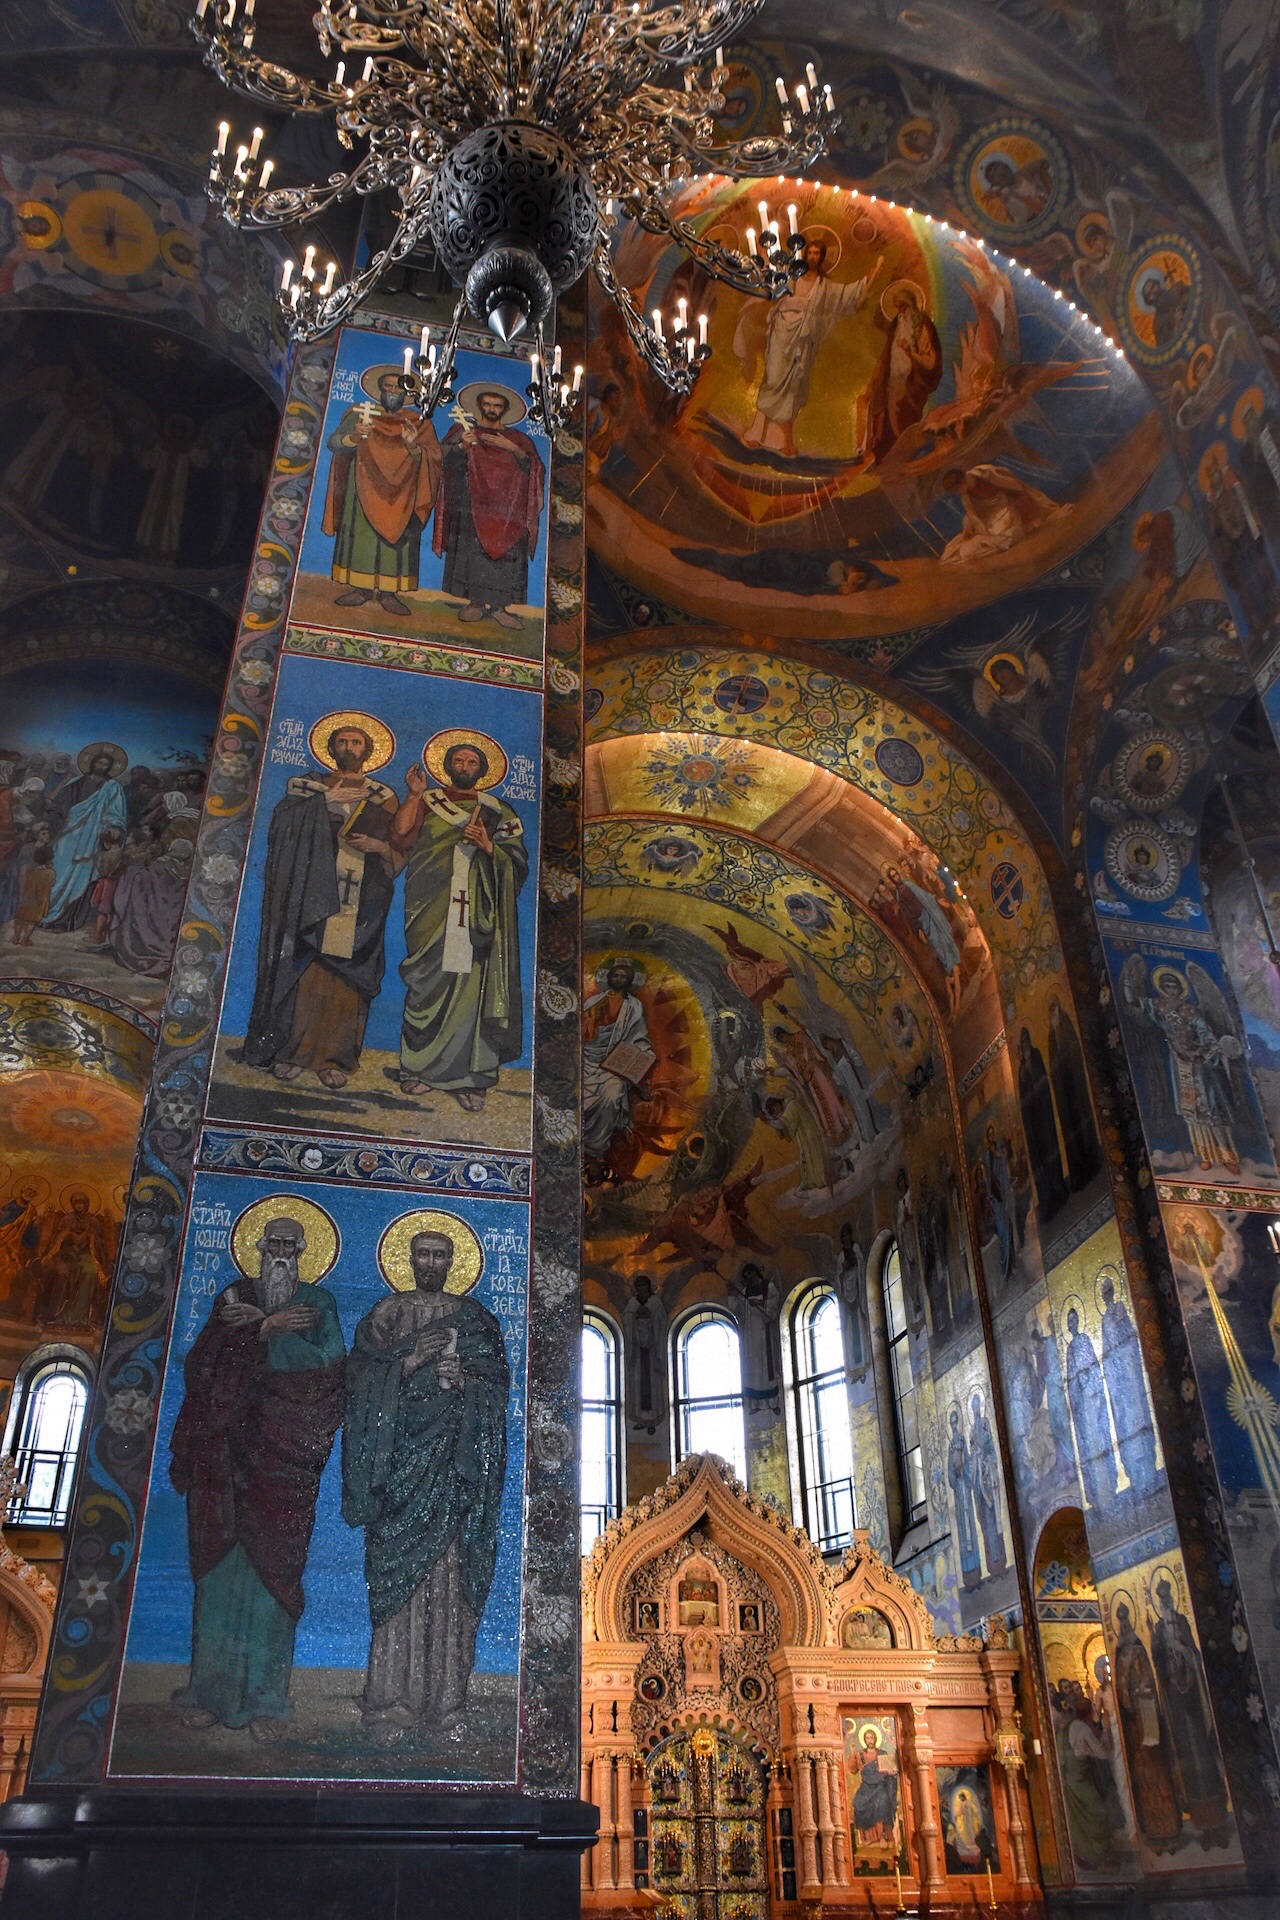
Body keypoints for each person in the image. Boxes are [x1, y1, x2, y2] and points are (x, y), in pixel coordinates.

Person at [168, 1213, 346, 1739]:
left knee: (275, 1579)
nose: (281, 1252)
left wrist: (273, 1336)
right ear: (260, 1247)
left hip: (285, 1463)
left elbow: (332, 1372)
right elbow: (200, 1368)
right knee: (219, 1575)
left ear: (305, 1250)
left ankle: (268, 1701)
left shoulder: (319, 1304)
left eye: (291, 1244)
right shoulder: (233, 1298)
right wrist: (260, 1330)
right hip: (223, 1462)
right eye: (274, 1243)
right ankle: (210, 1693)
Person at [343, 1223, 509, 1741]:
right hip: (399, 1472)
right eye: (423, 1254)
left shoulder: (475, 1320)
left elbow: (496, 1389)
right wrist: (410, 1361)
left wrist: (465, 1383)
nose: (431, 1263)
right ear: (409, 1259)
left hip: (453, 1473)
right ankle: (389, 1704)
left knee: (450, 1582)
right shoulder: (385, 1316)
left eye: (440, 1255)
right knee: (398, 1587)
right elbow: (358, 1385)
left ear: (452, 1262)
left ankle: (446, 1705)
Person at [242, 720, 401, 1089]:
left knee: (347, 978)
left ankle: (335, 1059)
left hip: (363, 898)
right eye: (342, 741)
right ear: (330, 748)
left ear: (368, 750)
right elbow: (281, 828)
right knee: (304, 967)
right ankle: (291, 1053)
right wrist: (323, 802)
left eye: (356, 742)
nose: (349, 747)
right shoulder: (307, 786)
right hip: (310, 896)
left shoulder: (383, 796)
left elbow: (398, 845)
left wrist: (381, 848)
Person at [391, 736, 527, 1111]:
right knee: (426, 982)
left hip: (478, 910)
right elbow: (400, 836)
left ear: (482, 770)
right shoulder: (429, 800)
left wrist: (488, 846)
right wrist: (413, 795)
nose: (464, 767)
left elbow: (516, 865)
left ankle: (471, 1078)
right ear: (447, 764)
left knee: (472, 985)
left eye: (472, 763)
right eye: (459, 761)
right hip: (430, 904)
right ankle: (418, 1069)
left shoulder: (500, 810)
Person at [735, 235, 883, 455]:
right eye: (810, 253)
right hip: (781, 333)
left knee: (793, 386)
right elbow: (767, 279)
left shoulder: (825, 287)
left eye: (817, 254)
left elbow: (848, 293)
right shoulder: (789, 276)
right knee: (773, 379)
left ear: (821, 258)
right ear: (805, 254)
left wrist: (873, 273)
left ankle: (783, 441)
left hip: (802, 341)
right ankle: (757, 431)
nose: (812, 257)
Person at [322, 367, 442, 615]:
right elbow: (334, 442)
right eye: (388, 386)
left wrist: (412, 446)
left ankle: (389, 594)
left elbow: (434, 458)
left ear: (407, 393)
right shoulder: (360, 414)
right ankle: (361, 590)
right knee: (360, 535)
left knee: (398, 539)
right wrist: (354, 437)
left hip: (404, 493)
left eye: (398, 387)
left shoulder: (419, 422)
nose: (393, 391)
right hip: (362, 485)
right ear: (379, 390)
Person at [434, 388, 544, 627]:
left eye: (497, 405)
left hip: (509, 510)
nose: (492, 409)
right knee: (472, 552)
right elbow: (441, 460)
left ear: (505, 409)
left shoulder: (518, 439)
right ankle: (474, 604)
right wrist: (462, 447)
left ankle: (499, 608)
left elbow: (534, 469)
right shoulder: (463, 430)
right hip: (472, 504)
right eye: (487, 404)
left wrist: (512, 449)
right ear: (479, 405)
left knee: (506, 556)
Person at [1150, 1576, 1229, 1842]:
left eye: (1167, 1596)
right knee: (1186, 1755)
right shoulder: (1159, 1629)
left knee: (1203, 1752)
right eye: (1161, 1598)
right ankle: (1202, 1822)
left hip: (1193, 1699)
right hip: (1175, 1702)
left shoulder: (1182, 1622)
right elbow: (1158, 1664)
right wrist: (1158, 1648)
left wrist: (1183, 1651)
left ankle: (1217, 1819)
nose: (1165, 1601)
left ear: (1172, 1598)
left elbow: (1195, 1654)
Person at [1112, 1600, 1181, 1851]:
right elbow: (1120, 1686)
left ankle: (1170, 1828)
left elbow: (1149, 1675)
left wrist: (1144, 1685)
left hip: (1148, 1714)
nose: (1124, 1626)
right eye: (1120, 1622)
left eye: (1125, 1620)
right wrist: (1126, 1692)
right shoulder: (1119, 1653)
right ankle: (1151, 1830)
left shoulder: (1138, 1647)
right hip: (1133, 1724)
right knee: (1142, 1778)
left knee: (1159, 1772)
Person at [42, 744, 128, 929]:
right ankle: (44, 913)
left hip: (91, 838)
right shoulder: (76, 782)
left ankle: (65, 921)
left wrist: (114, 826)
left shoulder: (112, 787)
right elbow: (60, 805)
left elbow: (116, 812)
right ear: (92, 762)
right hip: (67, 835)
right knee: (58, 872)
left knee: (80, 877)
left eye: (106, 764)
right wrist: (51, 818)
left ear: (110, 767)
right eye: (99, 762)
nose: (102, 766)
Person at [583, 957, 654, 1170]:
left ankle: (594, 1149)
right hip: (585, 1061)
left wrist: (643, 1058)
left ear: (630, 980)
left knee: (613, 1095)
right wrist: (591, 1023)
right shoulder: (592, 1003)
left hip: (613, 1067)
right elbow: (579, 1034)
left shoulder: (634, 1006)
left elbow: (639, 1038)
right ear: (609, 977)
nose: (619, 979)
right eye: (616, 975)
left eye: (624, 976)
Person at [860, 281, 943, 464]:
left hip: (912, 380)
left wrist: (910, 352)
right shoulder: (896, 324)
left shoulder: (922, 325)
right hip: (893, 377)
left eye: (902, 307)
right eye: (897, 307)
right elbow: (887, 353)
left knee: (903, 412)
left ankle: (905, 452)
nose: (900, 311)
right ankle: (890, 454)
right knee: (886, 413)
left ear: (911, 305)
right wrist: (875, 379)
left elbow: (931, 359)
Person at [1098, 1272, 1158, 1498]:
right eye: (1104, 1293)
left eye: (1108, 1291)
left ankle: (1149, 1476)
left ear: (1113, 1291)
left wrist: (1123, 1357)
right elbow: (1105, 1351)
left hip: (1130, 1377)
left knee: (1139, 1421)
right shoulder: (1104, 1320)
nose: (1107, 1296)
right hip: (1118, 1382)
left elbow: (1131, 1338)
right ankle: (1136, 1480)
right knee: (1124, 1426)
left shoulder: (1121, 1310)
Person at [940, 464, 1068, 564]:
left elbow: (1016, 489)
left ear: (962, 480)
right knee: (957, 550)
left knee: (978, 547)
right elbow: (974, 517)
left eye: (956, 489)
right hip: (989, 521)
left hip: (1008, 513)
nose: (957, 493)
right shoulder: (966, 497)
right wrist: (973, 529)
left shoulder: (986, 475)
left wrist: (1026, 510)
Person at [1064, 1307, 1118, 1512]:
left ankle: (1109, 1490)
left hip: (1092, 1403)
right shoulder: (1069, 1350)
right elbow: (1069, 1380)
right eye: (1068, 1321)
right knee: (1088, 1450)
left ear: (1078, 1321)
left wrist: (1089, 1387)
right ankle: (1096, 1495)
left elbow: (1094, 1368)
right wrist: (1076, 1391)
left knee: (1101, 1444)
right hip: (1081, 1408)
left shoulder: (1085, 1340)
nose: (1071, 1324)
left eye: (1073, 1319)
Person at [1017, 1026, 1070, 1223]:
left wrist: (1030, 1071)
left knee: (1050, 1151)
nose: (1024, 1044)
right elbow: (1023, 1097)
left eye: (1025, 1040)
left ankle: (1058, 1188)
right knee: (1039, 1158)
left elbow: (1042, 1080)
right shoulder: (1020, 1069)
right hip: (1033, 1121)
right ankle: (1047, 1196)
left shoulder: (1036, 1055)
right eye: (1021, 1042)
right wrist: (1024, 1073)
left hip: (1043, 1115)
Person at [1048, 998, 1102, 1191]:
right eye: (1051, 1016)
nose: (1053, 1019)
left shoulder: (1066, 1026)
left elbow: (1075, 1047)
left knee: (1083, 1124)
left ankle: (1092, 1161)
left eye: (1054, 1014)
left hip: (1075, 1086)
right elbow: (1052, 1065)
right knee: (1071, 1131)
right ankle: (1079, 1170)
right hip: (1064, 1091)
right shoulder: (1051, 1037)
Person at [41, 1190, 115, 1326]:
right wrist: (68, 1235)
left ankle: (78, 1316)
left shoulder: (93, 1221)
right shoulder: (67, 1219)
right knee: (62, 1272)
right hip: (67, 1253)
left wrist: (90, 1236)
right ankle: (55, 1313)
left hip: (87, 1254)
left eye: (82, 1203)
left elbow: (101, 1242)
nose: (79, 1206)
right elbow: (57, 1238)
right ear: (72, 1205)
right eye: (76, 1203)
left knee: (91, 1272)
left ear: (86, 1204)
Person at [624, 1273, 668, 1431]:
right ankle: (640, 1419)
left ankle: (653, 1421)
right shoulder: (632, 1302)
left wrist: (650, 1315)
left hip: (652, 1347)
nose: (641, 1288)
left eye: (644, 1284)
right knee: (638, 1384)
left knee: (653, 1384)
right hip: (637, 1349)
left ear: (649, 1286)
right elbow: (626, 1318)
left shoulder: (655, 1302)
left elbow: (662, 1319)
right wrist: (635, 1316)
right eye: (639, 1285)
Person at [969, 1391, 1006, 1577]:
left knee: (993, 1520)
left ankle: (1000, 1563)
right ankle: (991, 1567)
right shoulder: (970, 1431)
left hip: (988, 1479)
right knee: (984, 1522)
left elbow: (991, 1449)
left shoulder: (985, 1424)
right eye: (973, 1405)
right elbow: (971, 1456)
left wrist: (984, 1453)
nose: (975, 1408)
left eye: (977, 1404)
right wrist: (974, 1458)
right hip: (978, 1481)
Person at [948, 1408, 981, 1590]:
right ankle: (968, 1579)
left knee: (971, 1532)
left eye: (955, 1422)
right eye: (951, 1423)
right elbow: (949, 1471)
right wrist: (955, 1474)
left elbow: (968, 1462)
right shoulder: (951, 1446)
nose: (954, 1425)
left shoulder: (961, 1441)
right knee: (962, 1534)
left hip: (966, 1492)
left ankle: (977, 1574)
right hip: (959, 1497)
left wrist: (965, 1473)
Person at [850, 1727, 898, 1846]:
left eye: (872, 1738)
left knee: (880, 1802)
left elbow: (891, 1770)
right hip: (866, 1787)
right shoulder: (860, 1755)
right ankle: (868, 1837)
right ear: (864, 1740)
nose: (870, 1740)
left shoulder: (882, 1753)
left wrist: (891, 1771)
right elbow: (853, 1770)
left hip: (880, 1786)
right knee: (858, 1803)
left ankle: (881, 1836)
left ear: (875, 1739)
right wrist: (852, 1753)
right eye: (867, 1738)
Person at [11, 822, 53, 945]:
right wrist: (21, 892)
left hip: (37, 889)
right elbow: (22, 871)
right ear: (36, 835)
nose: (47, 836)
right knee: (22, 914)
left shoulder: (47, 850)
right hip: (27, 886)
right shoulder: (27, 848)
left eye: (48, 833)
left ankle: (22, 938)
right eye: (43, 833)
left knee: (28, 916)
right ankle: (18, 937)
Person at [84, 826, 125, 950]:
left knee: (102, 912)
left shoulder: (108, 855)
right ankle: (106, 935)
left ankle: (98, 936)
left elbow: (104, 871)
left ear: (107, 842)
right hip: (117, 883)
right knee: (110, 913)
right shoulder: (122, 853)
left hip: (107, 884)